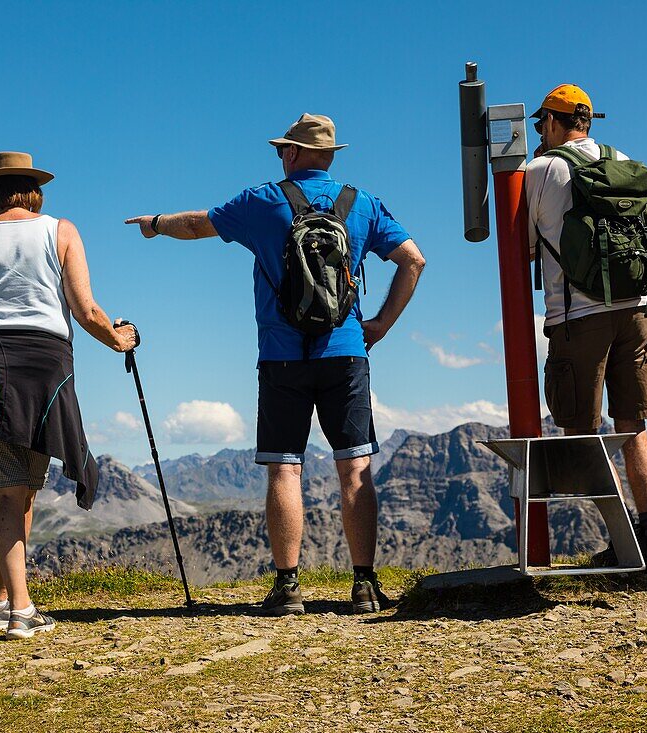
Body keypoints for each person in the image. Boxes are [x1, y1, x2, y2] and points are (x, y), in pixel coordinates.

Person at [126, 114, 425, 614]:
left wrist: (155, 225)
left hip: (281, 357)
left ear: (290, 153)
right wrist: (380, 324)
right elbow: (413, 260)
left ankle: (287, 588)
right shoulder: (363, 204)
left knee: (285, 470)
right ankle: (366, 586)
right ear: (330, 155)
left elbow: (200, 223)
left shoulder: (264, 200)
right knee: (354, 468)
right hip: (346, 351)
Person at [0, 151, 137, 638]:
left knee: (16, 489)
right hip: (47, 365)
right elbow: (85, 309)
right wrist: (118, 339)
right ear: (34, 191)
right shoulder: (61, 231)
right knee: (16, 491)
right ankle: (20, 612)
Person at [526, 85, 647, 581]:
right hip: (638, 309)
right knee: (634, 427)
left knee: (581, 431)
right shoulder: (621, 161)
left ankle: (620, 544)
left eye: (540, 122)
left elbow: (525, 245)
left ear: (551, 121)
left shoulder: (543, 170)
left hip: (577, 314)